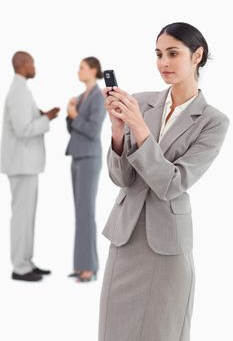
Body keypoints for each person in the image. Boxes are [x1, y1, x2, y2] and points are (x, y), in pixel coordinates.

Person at [98, 22, 230, 341]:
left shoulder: (213, 122)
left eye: (173, 53)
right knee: (113, 331)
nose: (163, 63)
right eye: (158, 54)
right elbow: (122, 178)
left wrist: (139, 129)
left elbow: (172, 183)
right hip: (125, 238)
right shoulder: (141, 102)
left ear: (197, 56)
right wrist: (118, 131)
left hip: (167, 248)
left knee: (160, 331)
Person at [0, 51, 60, 282]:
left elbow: (24, 121)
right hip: (21, 164)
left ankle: (26, 261)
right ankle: (20, 267)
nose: (35, 67)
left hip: (26, 164)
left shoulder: (22, 90)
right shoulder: (19, 92)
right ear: (23, 64)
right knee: (21, 217)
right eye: (33, 63)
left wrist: (42, 115)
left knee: (28, 217)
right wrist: (47, 120)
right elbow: (23, 129)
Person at [66, 57, 106, 282]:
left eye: (81, 68)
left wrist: (75, 115)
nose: (78, 71)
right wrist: (69, 112)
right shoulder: (81, 97)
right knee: (80, 213)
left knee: (86, 212)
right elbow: (74, 130)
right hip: (77, 156)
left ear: (93, 70)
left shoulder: (98, 97)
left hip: (90, 157)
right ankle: (82, 264)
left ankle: (89, 268)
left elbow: (92, 130)